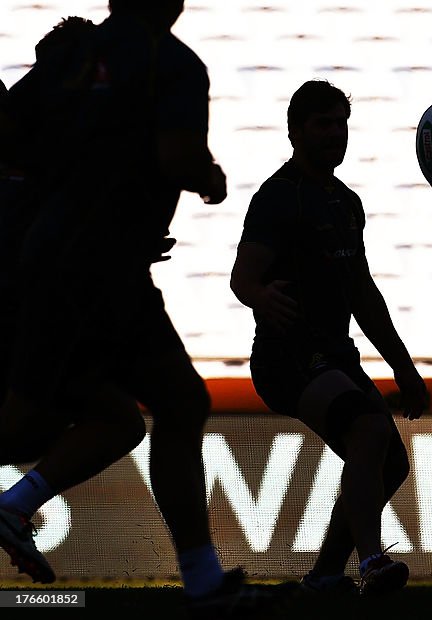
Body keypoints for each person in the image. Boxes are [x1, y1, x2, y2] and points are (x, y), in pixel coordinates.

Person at [0, 2, 276, 613]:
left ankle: (16, 506)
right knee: (176, 403)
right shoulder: (173, 64)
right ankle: (202, 584)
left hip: (50, 261)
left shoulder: (71, 58)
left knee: (73, 420)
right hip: (103, 271)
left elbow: (11, 133)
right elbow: (177, 158)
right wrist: (210, 178)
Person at [231, 79, 428, 596]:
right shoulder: (278, 198)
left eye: (341, 123)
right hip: (286, 359)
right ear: (294, 131)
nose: (335, 134)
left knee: (390, 463)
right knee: (367, 430)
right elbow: (242, 276)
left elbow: (362, 291)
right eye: (323, 123)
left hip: (332, 357)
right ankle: (372, 563)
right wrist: (259, 296)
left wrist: (403, 367)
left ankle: (323, 577)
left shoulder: (345, 202)